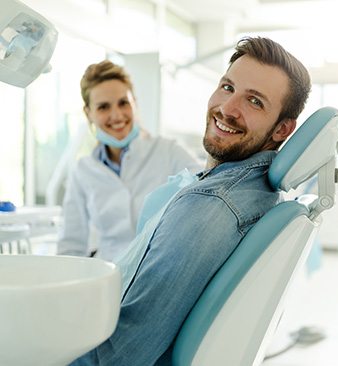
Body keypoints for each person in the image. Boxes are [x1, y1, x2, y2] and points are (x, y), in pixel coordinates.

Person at [71, 36, 311, 365]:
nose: (228, 109)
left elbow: (120, 354)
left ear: (283, 129)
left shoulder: (211, 203)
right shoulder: (244, 191)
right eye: (227, 87)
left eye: (254, 101)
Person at [57, 60, 201, 262]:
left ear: (135, 103)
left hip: (159, 266)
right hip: (108, 274)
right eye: (103, 107)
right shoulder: (83, 171)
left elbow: (206, 190)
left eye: (123, 103)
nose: (116, 115)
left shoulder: (169, 151)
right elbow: (71, 245)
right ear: (88, 113)